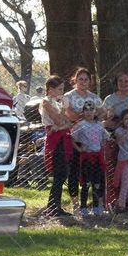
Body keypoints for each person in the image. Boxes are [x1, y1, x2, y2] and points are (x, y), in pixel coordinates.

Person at [62, 67, 102, 211]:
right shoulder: (68, 96)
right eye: (80, 79)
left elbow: (101, 111)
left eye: (86, 79)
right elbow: (69, 115)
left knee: (91, 172)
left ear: (90, 81)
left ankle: (94, 202)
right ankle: (75, 203)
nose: (83, 82)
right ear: (75, 80)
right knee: (74, 170)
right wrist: (85, 115)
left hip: (91, 141)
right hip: (75, 137)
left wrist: (91, 115)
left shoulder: (94, 97)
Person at [100, 72, 128, 207]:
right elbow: (104, 120)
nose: (124, 84)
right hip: (114, 138)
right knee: (113, 169)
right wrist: (112, 121)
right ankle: (112, 201)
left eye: (127, 81)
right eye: (120, 81)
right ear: (116, 83)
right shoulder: (109, 99)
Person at [40, 75, 74, 218]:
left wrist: (63, 123)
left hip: (62, 137)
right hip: (55, 140)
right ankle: (53, 207)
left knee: (63, 172)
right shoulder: (46, 102)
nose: (62, 92)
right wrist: (62, 120)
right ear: (51, 89)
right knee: (59, 173)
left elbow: (69, 122)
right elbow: (59, 120)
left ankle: (55, 206)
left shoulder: (57, 101)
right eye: (59, 89)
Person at [71, 101, 110, 216]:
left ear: (95, 111)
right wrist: (79, 149)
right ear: (83, 112)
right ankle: (83, 207)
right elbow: (72, 138)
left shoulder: (99, 124)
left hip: (97, 157)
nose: (89, 112)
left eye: (91, 109)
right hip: (87, 157)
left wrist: (101, 147)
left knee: (97, 183)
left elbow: (105, 137)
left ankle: (96, 206)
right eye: (86, 110)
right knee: (86, 182)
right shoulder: (80, 125)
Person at [112, 109, 128, 211]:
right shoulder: (119, 130)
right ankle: (121, 206)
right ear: (122, 121)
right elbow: (119, 141)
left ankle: (120, 202)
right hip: (125, 161)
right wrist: (127, 131)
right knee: (125, 183)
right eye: (126, 119)